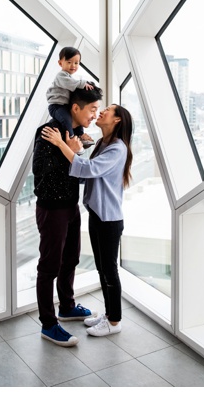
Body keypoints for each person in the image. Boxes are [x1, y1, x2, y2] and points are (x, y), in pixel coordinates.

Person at [41, 104, 133, 337]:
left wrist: (62, 144)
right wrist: (79, 146)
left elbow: (90, 170)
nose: (100, 112)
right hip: (97, 214)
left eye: (108, 110)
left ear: (118, 120)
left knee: (109, 271)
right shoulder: (104, 143)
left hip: (109, 219)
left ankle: (114, 322)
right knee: (102, 269)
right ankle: (109, 314)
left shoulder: (117, 148)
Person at [32, 84, 102, 347]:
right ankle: (49, 325)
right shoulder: (49, 131)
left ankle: (67, 306)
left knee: (70, 258)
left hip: (71, 206)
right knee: (48, 267)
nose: (94, 115)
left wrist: (75, 151)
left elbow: (82, 174)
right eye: (92, 109)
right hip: (52, 208)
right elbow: (40, 172)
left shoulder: (76, 135)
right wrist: (67, 152)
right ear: (76, 107)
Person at [47, 47, 97, 149]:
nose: (73, 65)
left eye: (76, 63)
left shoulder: (70, 77)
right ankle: (71, 138)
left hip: (64, 105)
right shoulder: (61, 76)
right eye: (69, 62)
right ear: (60, 63)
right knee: (66, 119)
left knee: (77, 120)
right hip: (56, 106)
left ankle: (80, 135)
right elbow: (70, 84)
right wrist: (83, 84)